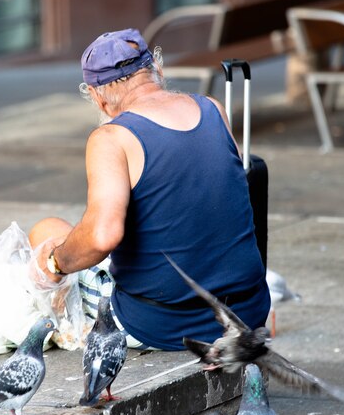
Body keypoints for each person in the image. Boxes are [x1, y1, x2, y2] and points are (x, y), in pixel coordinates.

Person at [29, 28, 270, 351]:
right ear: (157, 70)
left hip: (164, 325)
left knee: (47, 231)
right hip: (247, 312)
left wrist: (55, 264)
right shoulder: (213, 108)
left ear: (98, 97)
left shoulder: (112, 137)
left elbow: (102, 237)